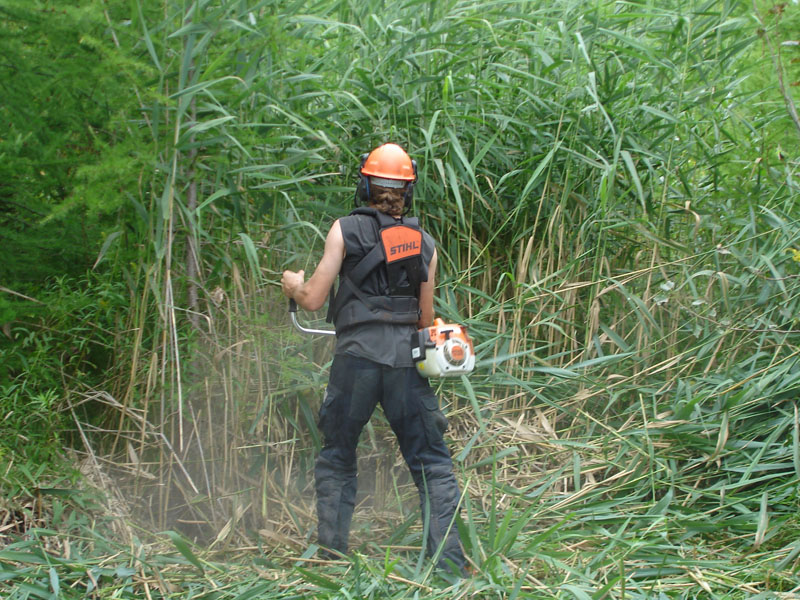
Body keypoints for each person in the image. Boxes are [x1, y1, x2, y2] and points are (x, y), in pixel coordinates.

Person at [281, 143, 467, 575]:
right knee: (433, 464)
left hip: (355, 362)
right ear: (408, 192)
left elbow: (312, 299)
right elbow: (424, 320)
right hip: (405, 365)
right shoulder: (425, 244)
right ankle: (449, 568)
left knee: (337, 456)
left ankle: (332, 560)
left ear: (365, 186)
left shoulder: (344, 230)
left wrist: (292, 285)